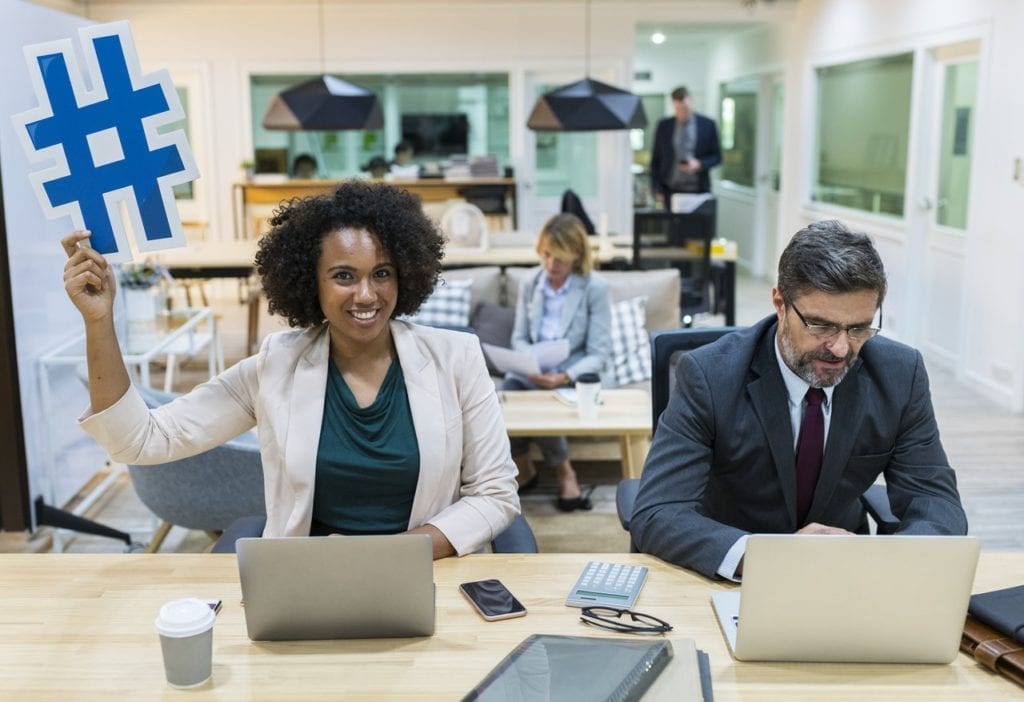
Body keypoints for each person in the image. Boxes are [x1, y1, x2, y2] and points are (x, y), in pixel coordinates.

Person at [63, 181, 520, 559]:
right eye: (344, 276)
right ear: (310, 282)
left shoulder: (456, 357)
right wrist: (98, 321)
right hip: (308, 582)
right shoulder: (276, 365)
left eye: (382, 273)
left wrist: (393, 555)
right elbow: (139, 440)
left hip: (427, 573)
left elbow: (495, 495)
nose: (366, 294)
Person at [630, 219, 967, 579]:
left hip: (842, 573)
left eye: (858, 328)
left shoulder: (900, 374)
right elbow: (658, 512)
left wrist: (885, 562)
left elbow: (936, 502)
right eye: (820, 325)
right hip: (735, 575)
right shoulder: (709, 375)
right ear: (780, 303)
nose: (840, 348)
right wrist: (773, 558)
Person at [501, 213, 612, 512]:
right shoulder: (531, 282)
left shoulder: (594, 287)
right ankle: (523, 464)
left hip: (575, 372)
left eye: (559, 258)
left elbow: (598, 355)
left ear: (576, 255)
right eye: (546, 255)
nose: (551, 265)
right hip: (536, 370)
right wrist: (530, 363)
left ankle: (565, 472)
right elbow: (520, 338)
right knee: (503, 396)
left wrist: (562, 376)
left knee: (542, 395)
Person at [649, 86, 722, 206]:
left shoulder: (708, 125)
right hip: (669, 191)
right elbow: (655, 160)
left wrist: (700, 164)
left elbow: (717, 156)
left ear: (691, 102)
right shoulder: (664, 126)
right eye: (678, 109)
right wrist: (656, 188)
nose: (682, 113)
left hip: (698, 192)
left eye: (685, 108)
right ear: (673, 105)